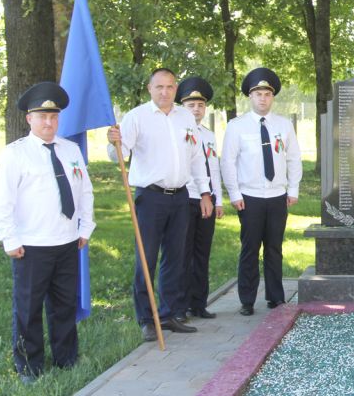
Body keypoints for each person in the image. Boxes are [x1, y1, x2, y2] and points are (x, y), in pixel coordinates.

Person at [0, 82, 95, 384]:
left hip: (66, 241)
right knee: (29, 308)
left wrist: (84, 227)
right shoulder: (15, 154)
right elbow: (2, 201)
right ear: (29, 119)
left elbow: (84, 191)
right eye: (42, 117)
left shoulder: (71, 150)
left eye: (53, 116)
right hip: (31, 245)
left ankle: (66, 358)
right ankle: (29, 365)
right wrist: (10, 239)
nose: (49, 123)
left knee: (64, 305)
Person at [107, 68, 213, 342]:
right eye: (159, 87)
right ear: (149, 88)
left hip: (180, 196)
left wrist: (204, 192)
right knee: (147, 258)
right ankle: (147, 318)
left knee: (176, 258)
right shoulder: (136, 117)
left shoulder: (186, 117)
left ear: (175, 88)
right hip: (150, 197)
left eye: (169, 87)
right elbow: (119, 153)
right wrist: (114, 143)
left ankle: (170, 313)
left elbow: (196, 159)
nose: (164, 92)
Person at [221, 67, 302, 315]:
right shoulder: (237, 126)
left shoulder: (284, 124)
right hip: (250, 197)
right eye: (258, 94)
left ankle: (275, 297)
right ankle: (247, 300)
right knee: (250, 248)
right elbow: (228, 162)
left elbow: (293, 158)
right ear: (250, 97)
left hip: (277, 196)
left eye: (267, 94)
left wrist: (293, 188)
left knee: (274, 247)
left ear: (273, 96)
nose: (263, 98)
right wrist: (234, 194)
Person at [175, 77, 224, 319]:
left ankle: (199, 303)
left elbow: (213, 167)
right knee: (182, 254)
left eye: (200, 105)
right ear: (181, 106)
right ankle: (181, 305)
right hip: (185, 197)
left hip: (208, 199)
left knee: (202, 253)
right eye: (190, 105)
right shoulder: (176, 133)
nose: (196, 109)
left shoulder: (208, 135)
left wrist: (219, 200)